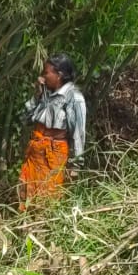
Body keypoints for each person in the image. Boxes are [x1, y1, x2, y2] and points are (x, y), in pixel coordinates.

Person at [20, 53, 86, 205]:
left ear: (59, 75)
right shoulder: (46, 94)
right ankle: (25, 227)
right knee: (25, 194)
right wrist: (37, 95)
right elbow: (26, 119)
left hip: (53, 154)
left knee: (46, 198)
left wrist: (75, 164)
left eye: (46, 73)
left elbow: (78, 133)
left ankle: (39, 227)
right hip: (35, 152)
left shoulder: (74, 97)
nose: (41, 77)